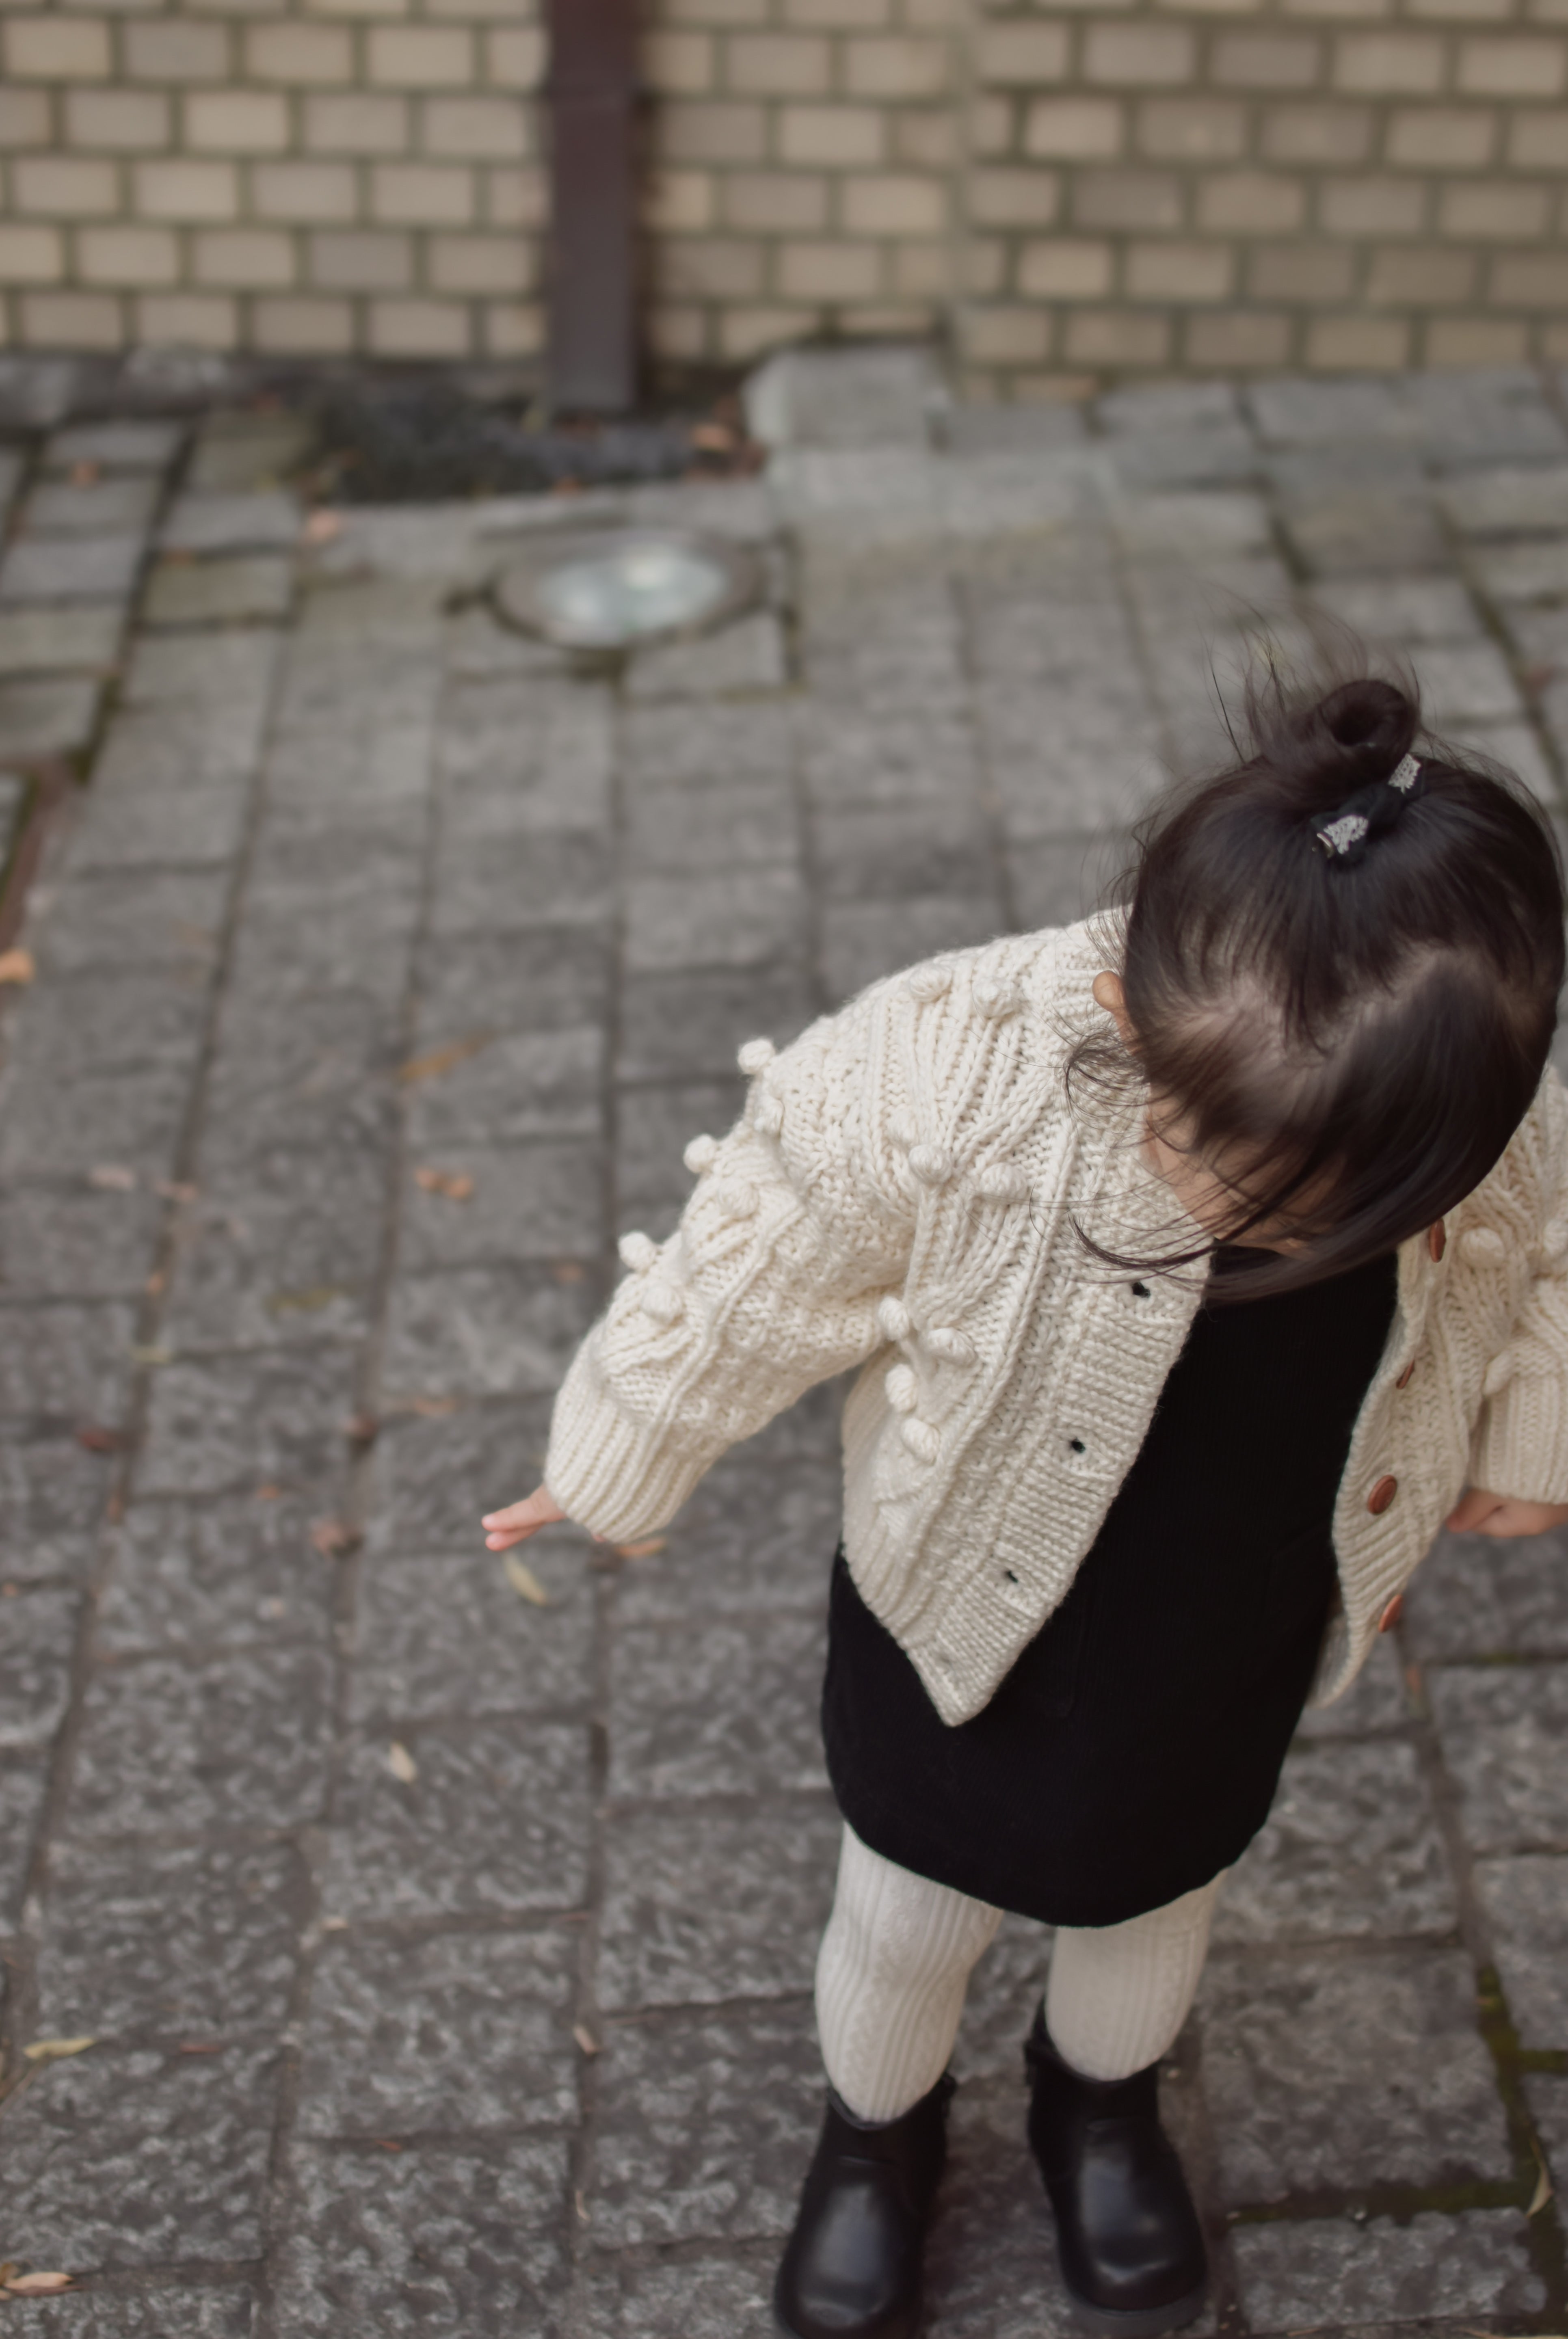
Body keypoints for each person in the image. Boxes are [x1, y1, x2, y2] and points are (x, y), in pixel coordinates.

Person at [482, 668, 1568, 2339]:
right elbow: (764, 1242)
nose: (1248, 1216)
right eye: (1223, 1161)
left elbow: (1546, 1253)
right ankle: (876, 2137)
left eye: (1327, 1203)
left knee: (1160, 1886)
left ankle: (1102, 2101)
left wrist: (1526, 1433)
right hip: (957, 1609)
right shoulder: (950, 1067)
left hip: (1235, 1611)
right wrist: (626, 1448)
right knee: (910, 1910)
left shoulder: (1481, 1108)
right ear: (1140, 1023)